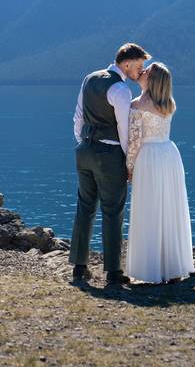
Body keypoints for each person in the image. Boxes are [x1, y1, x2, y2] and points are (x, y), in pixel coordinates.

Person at [69, 42, 150, 285]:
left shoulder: (89, 79)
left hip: (84, 150)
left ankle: (79, 267)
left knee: (85, 207)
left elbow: (78, 117)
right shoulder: (120, 89)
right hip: (109, 153)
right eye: (138, 66)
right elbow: (124, 130)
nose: (139, 72)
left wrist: (85, 142)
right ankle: (113, 271)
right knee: (113, 210)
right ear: (126, 64)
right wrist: (128, 161)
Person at [125, 62, 195, 284]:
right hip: (169, 154)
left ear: (152, 80)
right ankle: (173, 267)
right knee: (170, 208)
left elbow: (134, 142)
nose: (142, 72)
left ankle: (150, 269)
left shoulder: (137, 105)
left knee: (149, 209)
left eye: (147, 71)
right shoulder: (169, 104)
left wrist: (129, 168)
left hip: (148, 157)